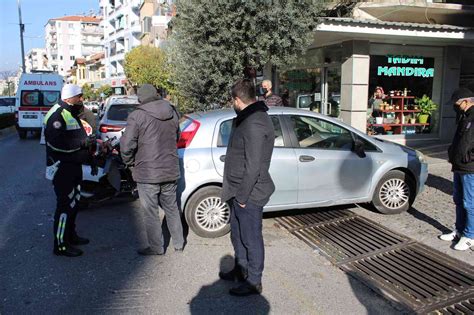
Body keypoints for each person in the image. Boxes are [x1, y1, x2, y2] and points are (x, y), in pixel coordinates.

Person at [219, 79, 275, 296]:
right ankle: (241, 270)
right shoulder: (246, 117)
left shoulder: (255, 122)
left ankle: (254, 281)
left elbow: (253, 166)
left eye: (231, 100)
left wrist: (242, 196)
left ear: (237, 100)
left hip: (249, 192)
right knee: (238, 234)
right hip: (237, 189)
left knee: (251, 238)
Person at [120, 84, 184, 255]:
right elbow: (177, 136)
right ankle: (179, 243)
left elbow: (126, 146)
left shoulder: (137, 115)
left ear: (140, 98)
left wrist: (129, 162)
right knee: (171, 207)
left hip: (147, 172)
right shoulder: (172, 111)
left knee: (151, 212)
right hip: (170, 168)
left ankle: (157, 248)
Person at [44, 84, 96, 257]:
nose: (81, 99)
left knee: (74, 204)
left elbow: (80, 137)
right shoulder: (57, 115)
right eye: (79, 96)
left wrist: (90, 157)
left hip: (74, 166)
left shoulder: (71, 112)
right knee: (65, 206)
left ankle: (71, 236)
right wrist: (81, 144)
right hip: (62, 168)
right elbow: (56, 143)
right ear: (68, 97)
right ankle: (60, 245)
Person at [439, 88, 474, 251]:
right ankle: (459, 231)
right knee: (458, 201)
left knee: (469, 203)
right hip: (458, 166)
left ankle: (470, 235)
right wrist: (452, 153)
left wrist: (469, 156)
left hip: (470, 168)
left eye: (457, 103)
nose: (455, 106)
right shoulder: (464, 117)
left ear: (466, 101)